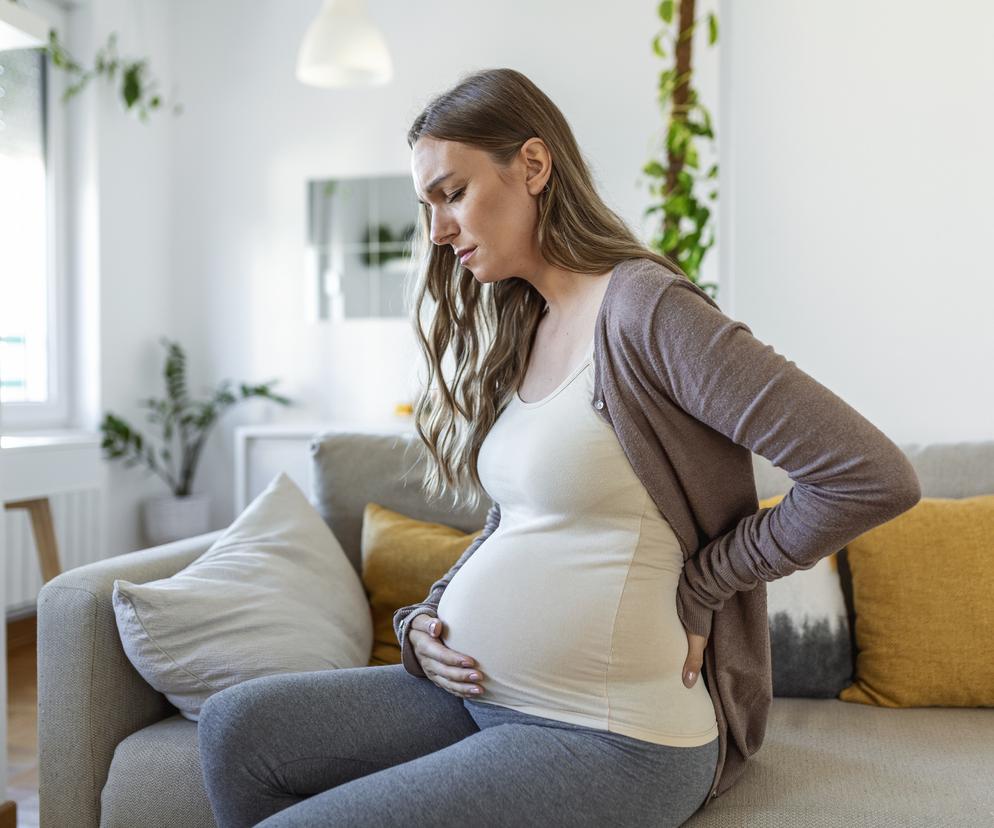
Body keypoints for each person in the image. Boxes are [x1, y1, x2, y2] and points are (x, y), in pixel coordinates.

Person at [197, 67, 920, 828]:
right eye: (427, 206)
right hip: (480, 695)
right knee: (235, 729)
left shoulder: (646, 311)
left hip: (610, 733)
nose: (437, 231)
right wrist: (426, 619)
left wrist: (709, 580)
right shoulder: (528, 323)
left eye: (452, 194)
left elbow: (868, 475)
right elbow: (519, 525)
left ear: (534, 166)